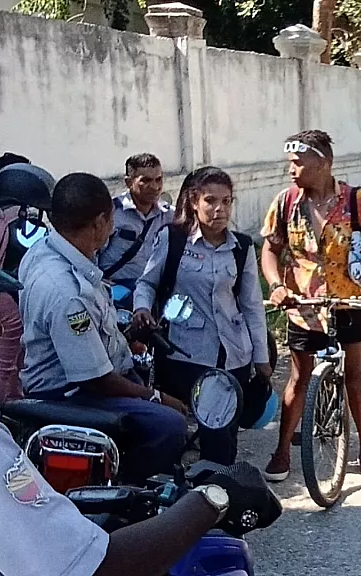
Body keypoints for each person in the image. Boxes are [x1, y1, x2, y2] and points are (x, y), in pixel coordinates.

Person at [0, 202, 275, 576]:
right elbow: (91, 569)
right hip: (74, 393)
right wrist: (213, 498)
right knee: (166, 424)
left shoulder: (57, 262)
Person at [19, 172, 188, 484]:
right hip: (71, 395)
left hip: (90, 375)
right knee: (170, 424)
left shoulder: (44, 251)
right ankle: (125, 491)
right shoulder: (68, 293)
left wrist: (128, 339)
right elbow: (97, 380)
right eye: (110, 220)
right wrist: (156, 397)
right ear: (100, 222)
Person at [260, 129, 361, 482]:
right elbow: (271, 250)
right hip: (302, 304)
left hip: (348, 301)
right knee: (299, 378)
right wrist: (276, 286)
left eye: (299, 162)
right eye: (290, 162)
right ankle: (282, 450)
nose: (292, 169)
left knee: (354, 374)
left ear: (324, 163)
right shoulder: (286, 202)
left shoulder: (355, 201)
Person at [134, 166, 271, 465]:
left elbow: (251, 305)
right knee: (171, 435)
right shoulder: (172, 239)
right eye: (210, 200)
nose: (219, 209)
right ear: (194, 202)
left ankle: (218, 501)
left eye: (226, 201)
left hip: (230, 359)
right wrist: (142, 308)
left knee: (220, 442)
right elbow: (147, 283)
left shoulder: (242, 247)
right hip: (180, 356)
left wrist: (261, 357)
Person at [0, 163, 56, 406]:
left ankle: (12, 401)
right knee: (2, 362)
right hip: (0, 295)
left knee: (9, 357)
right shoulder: (21, 223)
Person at [97, 153, 172, 304]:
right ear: (129, 182)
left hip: (155, 291)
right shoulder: (111, 213)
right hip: (117, 291)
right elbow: (92, 253)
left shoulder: (170, 215)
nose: (155, 187)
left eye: (159, 179)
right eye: (146, 180)